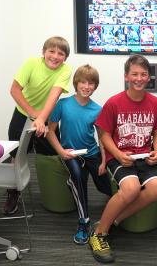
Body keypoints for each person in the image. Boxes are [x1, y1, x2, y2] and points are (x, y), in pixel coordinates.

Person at [89, 54, 157, 263]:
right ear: (126, 76)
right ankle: (99, 235)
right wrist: (117, 154)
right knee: (131, 188)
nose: (139, 78)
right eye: (134, 74)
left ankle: (110, 221)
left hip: (145, 155)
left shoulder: (155, 103)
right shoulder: (114, 102)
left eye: (144, 74)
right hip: (120, 156)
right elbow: (104, 135)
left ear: (149, 77)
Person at [5, 36, 72, 215]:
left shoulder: (66, 70)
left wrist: (41, 119)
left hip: (45, 115)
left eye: (61, 53)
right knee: (17, 156)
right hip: (23, 112)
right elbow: (14, 90)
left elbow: (53, 96)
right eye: (51, 51)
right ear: (44, 52)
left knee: (53, 152)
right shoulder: (31, 63)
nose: (55, 56)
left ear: (65, 58)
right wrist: (33, 114)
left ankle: (60, 188)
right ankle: (13, 191)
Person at [46, 65, 112, 245]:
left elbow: (102, 137)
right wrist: (61, 151)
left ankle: (120, 207)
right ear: (76, 83)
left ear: (95, 86)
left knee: (104, 187)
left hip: (92, 153)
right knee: (76, 176)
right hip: (70, 154)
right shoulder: (63, 104)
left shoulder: (97, 109)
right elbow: (50, 131)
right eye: (83, 82)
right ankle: (84, 222)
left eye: (91, 83)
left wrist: (104, 161)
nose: (87, 86)